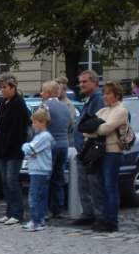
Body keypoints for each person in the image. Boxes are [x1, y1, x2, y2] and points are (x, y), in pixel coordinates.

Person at [83, 82, 129, 233]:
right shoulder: (103, 110)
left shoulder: (121, 110)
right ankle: (102, 218)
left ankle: (111, 220)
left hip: (113, 151)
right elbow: (85, 128)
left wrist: (94, 130)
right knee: (100, 185)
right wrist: (94, 129)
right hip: (99, 151)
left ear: (116, 95)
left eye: (108, 93)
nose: (105, 96)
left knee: (110, 186)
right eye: (104, 93)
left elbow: (105, 129)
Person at [0, 74, 30, 225]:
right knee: (5, 182)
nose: (2, 90)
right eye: (1, 87)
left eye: (5, 87)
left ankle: (17, 212)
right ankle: (9, 211)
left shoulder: (19, 104)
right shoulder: (3, 103)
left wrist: (8, 145)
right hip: (2, 149)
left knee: (12, 180)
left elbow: (17, 130)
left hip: (13, 150)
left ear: (13, 87)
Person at [71, 70, 108, 227]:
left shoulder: (98, 100)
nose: (81, 84)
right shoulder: (90, 100)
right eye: (80, 82)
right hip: (83, 150)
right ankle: (88, 213)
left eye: (85, 81)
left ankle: (99, 215)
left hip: (92, 149)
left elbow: (97, 122)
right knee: (84, 184)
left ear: (94, 82)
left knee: (94, 185)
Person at [40, 80, 72, 218]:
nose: (41, 93)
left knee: (46, 178)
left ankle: (45, 210)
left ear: (47, 93)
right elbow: (71, 125)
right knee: (58, 178)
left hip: (49, 145)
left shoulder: (45, 106)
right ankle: (58, 209)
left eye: (42, 91)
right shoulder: (66, 107)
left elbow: (40, 126)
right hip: (63, 144)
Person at [22, 108, 55, 231]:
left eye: (35, 122)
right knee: (40, 196)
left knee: (34, 196)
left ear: (43, 122)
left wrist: (26, 147)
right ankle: (40, 219)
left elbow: (29, 148)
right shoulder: (41, 136)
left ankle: (35, 220)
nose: (33, 125)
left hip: (39, 170)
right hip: (40, 169)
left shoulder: (43, 137)